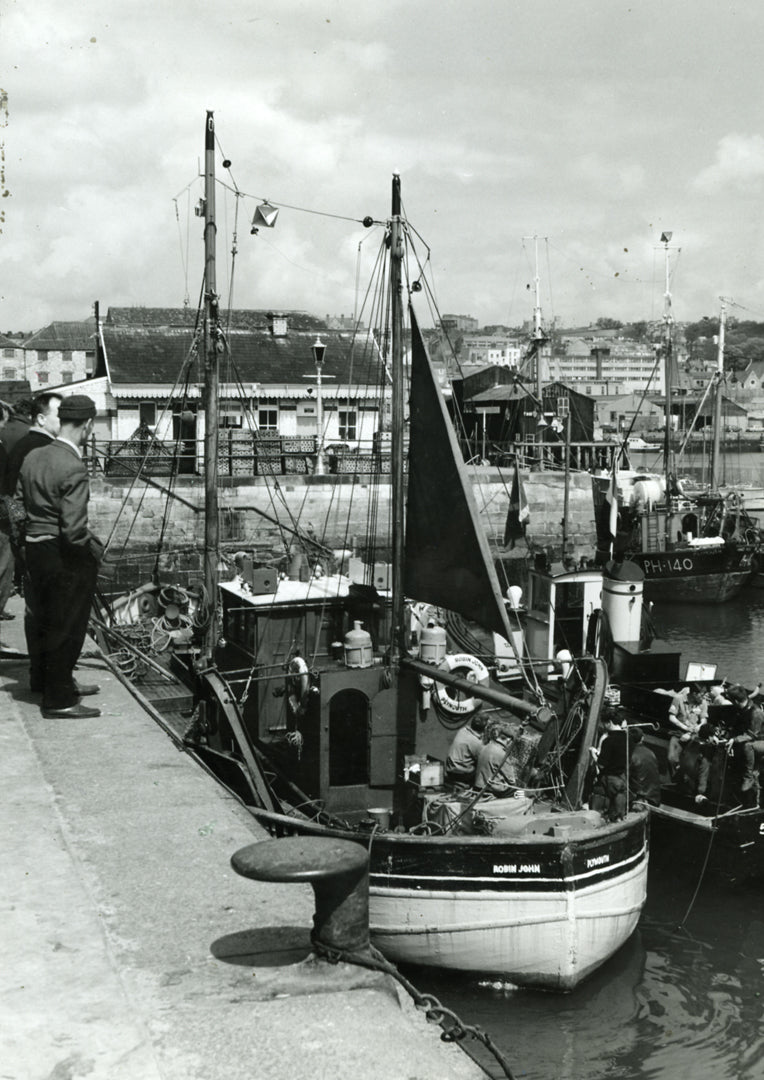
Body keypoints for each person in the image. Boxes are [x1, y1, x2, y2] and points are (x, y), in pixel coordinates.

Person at [18, 394, 104, 718]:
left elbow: (17, 502)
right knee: (67, 625)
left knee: (42, 618)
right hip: (60, 552)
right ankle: (60, 699)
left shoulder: (34, 457)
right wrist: (90, 552)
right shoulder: (73, 467)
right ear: (88, 426)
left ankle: (47, 680)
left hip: (35, 548)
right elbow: (73, 529)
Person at [590, 709, 630, 822]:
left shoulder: (609, 741)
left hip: (609, 780)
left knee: (598, 812)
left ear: (609, 722)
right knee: (617, 814)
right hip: (622, 778)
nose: (604, 726)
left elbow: (601, 765)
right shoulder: (628, 739)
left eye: (604, 723)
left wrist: (593, 754)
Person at [474, 720, 522, 796]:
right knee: (521, 792)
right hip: (492, 790)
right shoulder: (501, 754)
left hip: (479, 785)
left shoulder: (485, 746)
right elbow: (512, 781)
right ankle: (519, 805)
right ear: (509, 739)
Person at [445, 713, 487, 786]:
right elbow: (483, 759)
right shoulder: (476, 743)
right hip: (460, 774)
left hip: (450, 769)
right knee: (485, 766)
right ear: (485, 727)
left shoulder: (463, 730)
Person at [629, 727, 661, 807]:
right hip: (654, 797)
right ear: (642, 738)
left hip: (640, 799)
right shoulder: (651, 753)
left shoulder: (630, 755)